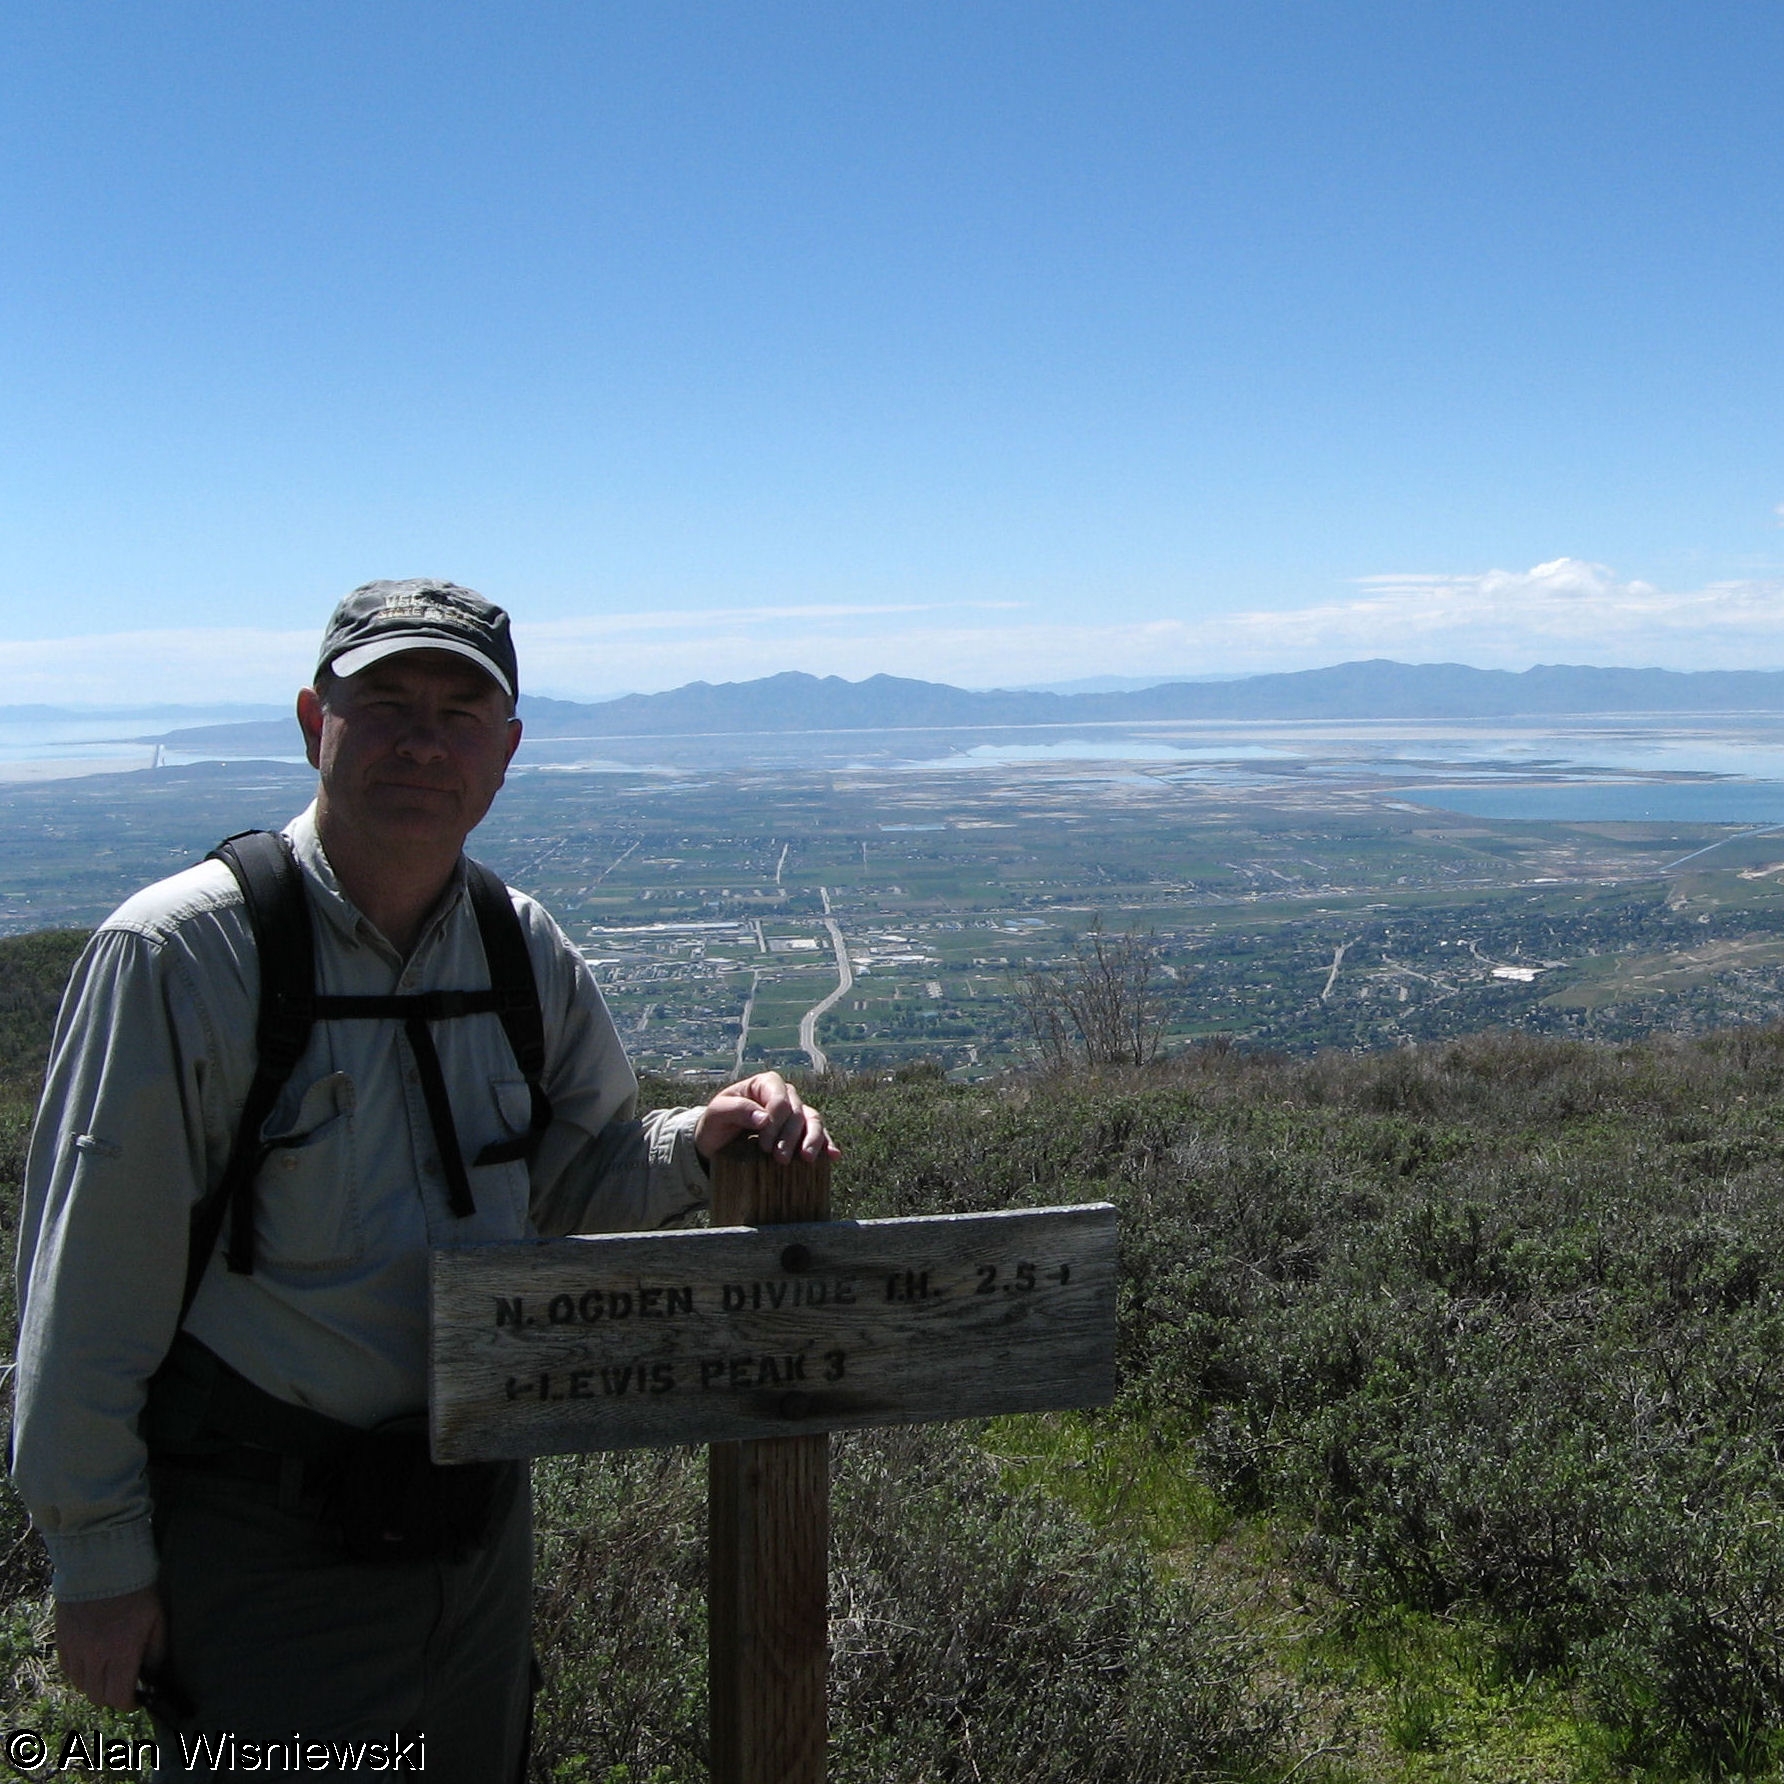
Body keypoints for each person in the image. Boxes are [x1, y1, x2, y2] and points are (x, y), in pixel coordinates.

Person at [12, 579, 835, 1778]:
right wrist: (97, 1562)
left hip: (476, 1519)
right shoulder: (182, 955)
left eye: (460, 713)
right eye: (385, 701)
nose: (421, 738)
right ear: (313, 721)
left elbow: (571, 1176)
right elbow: (85, 1295)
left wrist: (692, 1144)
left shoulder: (520, 946)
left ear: (503, 752)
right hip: (262, 1537)